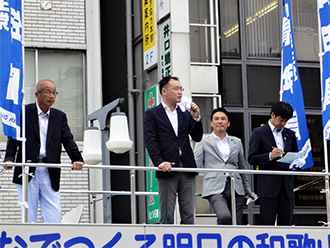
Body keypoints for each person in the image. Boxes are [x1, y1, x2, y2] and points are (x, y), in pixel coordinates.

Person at [4, 79, 84, 223]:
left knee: (53, 214)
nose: (52, 96)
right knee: (28, 215)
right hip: (26, 168)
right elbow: (13, 138)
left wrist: (76, 158)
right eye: (48, 92)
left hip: (50, 168)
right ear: (37, 94)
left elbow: (68, 139)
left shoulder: (60, 117)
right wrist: (9, 158)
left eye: (54, 92)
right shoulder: (24, 113)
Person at [144, 76, 203, 224]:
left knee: (189, 214)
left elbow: (197, 137)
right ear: (164, 91)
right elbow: (150, 141)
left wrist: (196, 118)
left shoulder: (184, 113)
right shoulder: (152, 114)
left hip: (187, 166)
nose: (180, 92)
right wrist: (159, 162)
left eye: (181, 89)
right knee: (167, 214)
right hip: (167, 167)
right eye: (175, 89)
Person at [194, 107, 254, 225]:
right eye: (216, 119)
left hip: (236, 187)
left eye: (223, 119)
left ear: (228, 123)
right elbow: (196, 165)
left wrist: (247, 189)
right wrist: (190, 187)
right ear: (211, 123)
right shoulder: (203, 141)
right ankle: (222, 242)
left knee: (236, 222)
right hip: (214, 187)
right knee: (224, 216)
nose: (220, 121)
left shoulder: (236, 141)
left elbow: (242, 167)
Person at [248, 101, 298, 225]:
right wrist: (270, 156)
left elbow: (294, 155)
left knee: (286, 223)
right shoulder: (259, 132)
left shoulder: (290, 134)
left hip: (286, 186)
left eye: (286, 121)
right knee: (267, 223)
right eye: (281, 120)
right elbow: (252, 158)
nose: (283, 124)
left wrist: (297, 161)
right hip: (268, 186)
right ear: (272, 115)